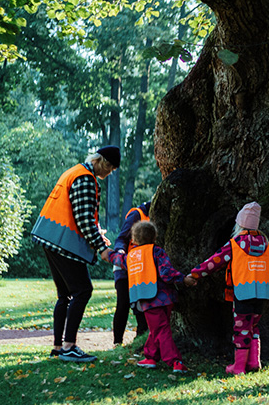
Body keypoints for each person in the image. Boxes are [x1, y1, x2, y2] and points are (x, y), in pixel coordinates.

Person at [189, 201, 269, 375]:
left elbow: (214, 262)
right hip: (262, 292)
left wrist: (194, 275)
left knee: (241, 327)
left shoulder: (235, 244)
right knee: (253, 325)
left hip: (243, 291)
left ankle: (238, 367)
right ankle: (254, 362)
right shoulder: (267, 245)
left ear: (239, 223)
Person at [31, 145, 120, 363]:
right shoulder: (86, 178)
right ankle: (70, 346)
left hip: (49, 237)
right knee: (83, 290)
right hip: (63, 243)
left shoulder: (73, 171)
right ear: (103, 163)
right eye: (110, 170)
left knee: (65, 295)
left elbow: (75, 214)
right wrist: (102, 248)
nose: (108, 174)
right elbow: (83, 219)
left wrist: (97, 234)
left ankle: (58, 347)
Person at [100, 220, 195, 373]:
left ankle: (175, 361)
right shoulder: (157, 251)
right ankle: (150, 357)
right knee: (158, 328)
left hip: (148, 300)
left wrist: (106, 252)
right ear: (154, 238)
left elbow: (116, 258)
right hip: (166, 298)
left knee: (160, 329)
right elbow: (166, 272)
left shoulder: (131, 256)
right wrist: (183, 279)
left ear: (133, 240)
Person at [111, 201, 151, 346]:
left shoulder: (158, 217)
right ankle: (117, 342)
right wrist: (120, 252)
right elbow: (122, 238)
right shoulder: (137, 214)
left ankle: (142, 338)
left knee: (142, 303)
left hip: (141, 268)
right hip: (124, 265)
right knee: (123, 303)